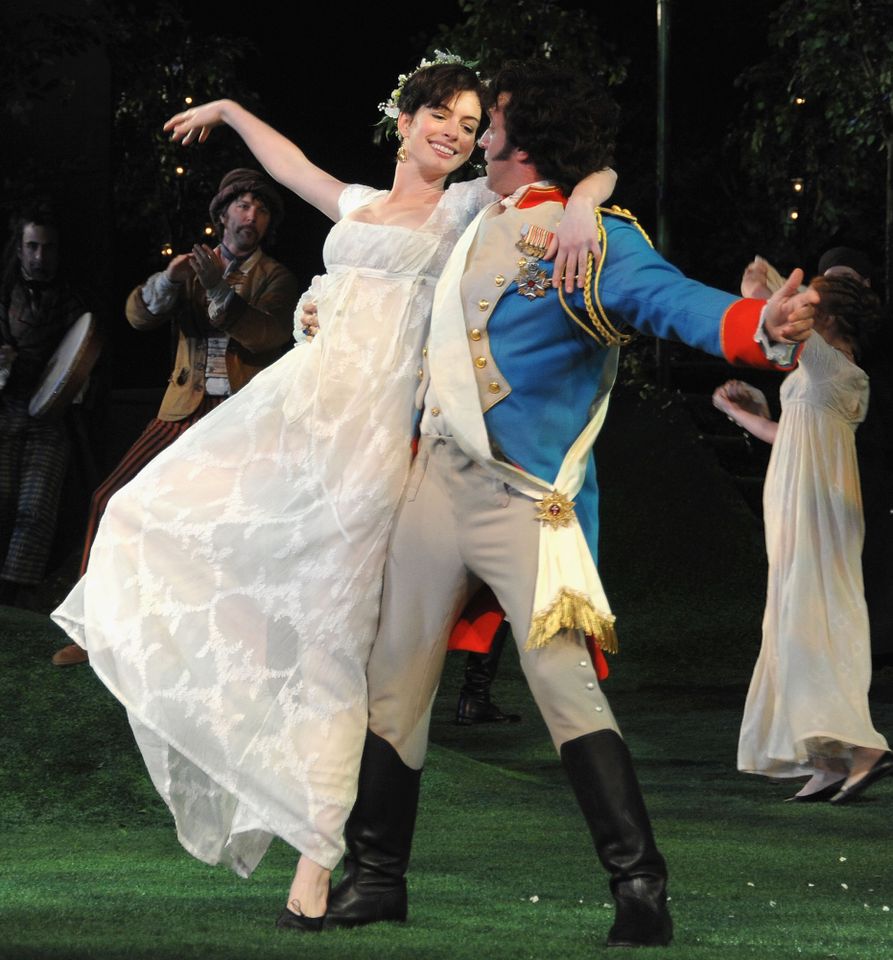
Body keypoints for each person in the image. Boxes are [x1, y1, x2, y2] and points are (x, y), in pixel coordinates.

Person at [51, 57, 617, 925]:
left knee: (334, 637)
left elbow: (590, 175)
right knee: (145, 511)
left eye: (471, 127)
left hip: (378, 439)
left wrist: (581, 203)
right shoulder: (358, 203)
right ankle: (275, 770)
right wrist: (234, 109)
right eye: (444, 116)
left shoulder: (468, 208)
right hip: (301, 411)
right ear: (407, 118)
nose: (457, 135)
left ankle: (317, 862)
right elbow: (291, 168)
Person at [320, 61, 819, 948]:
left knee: (564, 692)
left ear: (523, 132)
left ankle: (639, 888)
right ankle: (376, 880)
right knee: (393, 687)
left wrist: (757, 329)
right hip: (432, 487)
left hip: (527, 507)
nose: (476, 130)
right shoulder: (476, 209)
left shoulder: (593, 237)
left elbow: (667, 298)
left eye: (492, 116)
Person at [51, 168, 300, 665]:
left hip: (239, 417)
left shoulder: (274, 276)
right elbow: (137, 316)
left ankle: (219, 641)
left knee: (231, 528)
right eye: (244, 206)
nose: (252, 216)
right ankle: (93, 627)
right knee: (110, 500)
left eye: (262, 209)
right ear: (223, 214)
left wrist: (221, 294)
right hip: (183, 410)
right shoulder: (191, 266)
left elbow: (267, 336)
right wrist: (168, 281)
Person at [714, 275, 893, 804]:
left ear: (828, 318)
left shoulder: (839, 368)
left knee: (810, 617)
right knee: (792, 617)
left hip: (818, 506)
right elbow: (792, 432)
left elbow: (787, 331)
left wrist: (758, 291)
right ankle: (827, 757)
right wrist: (742, 415)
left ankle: (861, 747)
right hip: (795, 504)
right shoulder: (825, 376)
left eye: (813, 303)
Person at [0, 203, 87, 606]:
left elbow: (82, 361)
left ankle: (18, 595)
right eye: (32, 246)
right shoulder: (3, 295)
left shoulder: (75, 301)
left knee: (36, 509)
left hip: (50, 415)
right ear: (19, 249)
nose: (40, 257)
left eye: (47, 248)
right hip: (4, 408)